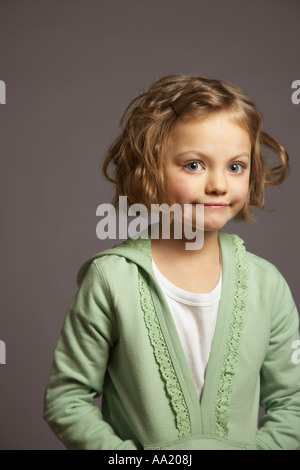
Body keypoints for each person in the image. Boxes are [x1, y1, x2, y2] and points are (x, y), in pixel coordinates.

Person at [43, 74, 300, 450]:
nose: (219, 185)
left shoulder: (267, 283)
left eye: (235, 167)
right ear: (149, 172)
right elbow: (66, 399)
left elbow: (293, 402)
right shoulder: (111, 278)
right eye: (194, 165)